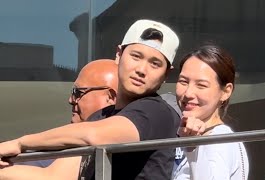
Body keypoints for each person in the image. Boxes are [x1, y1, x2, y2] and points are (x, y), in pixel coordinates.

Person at [0, 19, 180, 180]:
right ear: (118, 55)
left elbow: (95, 136)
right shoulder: (100, 117)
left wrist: (19, 143)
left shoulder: (156, 111)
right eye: (136, 56)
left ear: (166, 74)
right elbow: (55, 176)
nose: (141, 69)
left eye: (155, 63)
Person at [0, 59, 119, 179]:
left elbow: (53, 177)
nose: (71, 100)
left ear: (110, 97)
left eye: (78, 93)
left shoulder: (103, 139)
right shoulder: (67, 141)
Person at [172, 44, 249, 180]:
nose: (188, 93)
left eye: (201, 85)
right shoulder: (188, 135)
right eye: (183, 81)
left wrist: (192, 148)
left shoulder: (220, 139)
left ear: (226, 92)